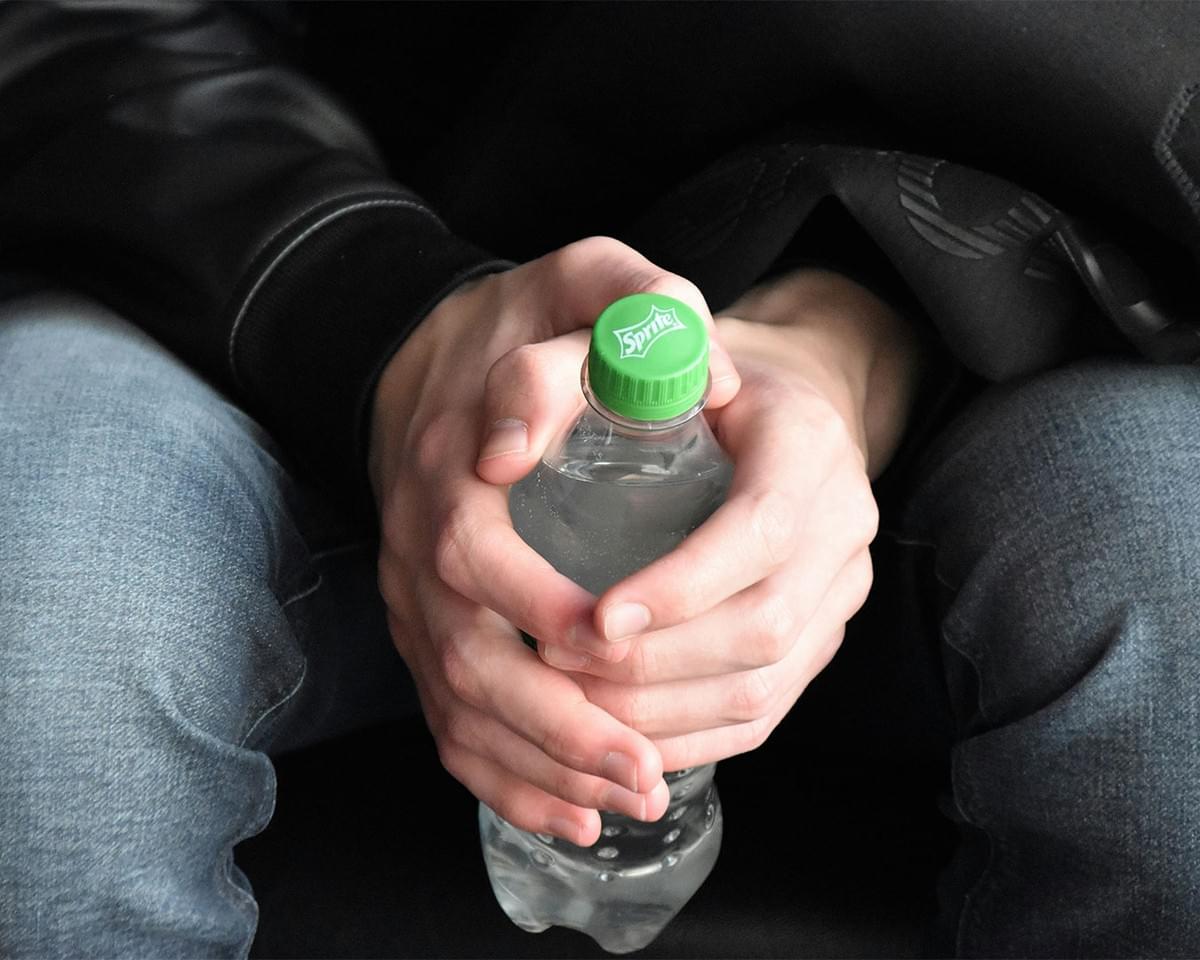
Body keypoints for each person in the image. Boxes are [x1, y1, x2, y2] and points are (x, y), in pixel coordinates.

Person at [1, 2, 1198, 957]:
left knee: (1173, 578)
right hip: (277, 263)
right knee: (42, 612)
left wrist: (857, 329)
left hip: (1025, 305)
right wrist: (385, 321)